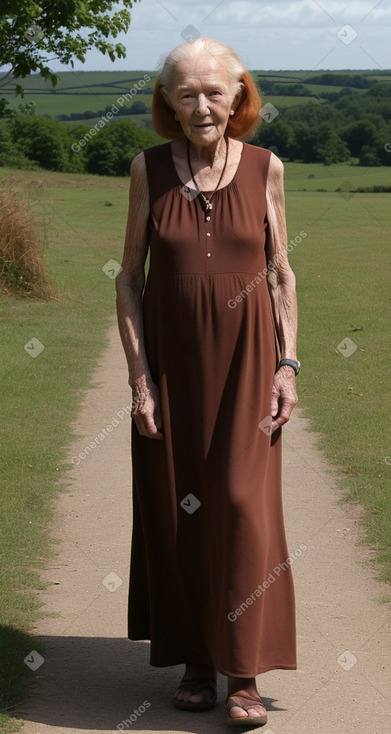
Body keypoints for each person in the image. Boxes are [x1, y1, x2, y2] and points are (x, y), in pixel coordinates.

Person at [116, 37, 299, 728]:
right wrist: (140, 380)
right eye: (185, 93)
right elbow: (129, 279)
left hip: (251, 367)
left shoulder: (266, 168)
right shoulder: (147, 171)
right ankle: (197, 661)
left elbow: (280, 274)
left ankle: (244, 670)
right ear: (166, 100)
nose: (200, 105)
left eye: (213, 91)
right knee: (182, 507)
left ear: (238, 95)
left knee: (240, 505)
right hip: (169, 369)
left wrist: (288, 365)